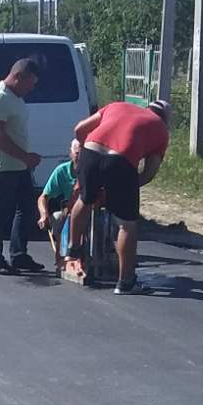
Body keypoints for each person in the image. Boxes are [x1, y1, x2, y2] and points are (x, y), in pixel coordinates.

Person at [64, 98, 170, 294]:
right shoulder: (161, 129)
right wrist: (123, 189)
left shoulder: (118, 106)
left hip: (91, 152)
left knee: (84, 199)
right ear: (165, 118)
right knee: (126, 224)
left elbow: (79, 129)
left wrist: (84, 153)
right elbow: (149, 173)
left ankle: (73, 247)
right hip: (120, 162)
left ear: (146, 108)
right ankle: (125, 282)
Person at [0, 56, 45, 275]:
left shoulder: (15, 96)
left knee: (26, 209)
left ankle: (19, 255)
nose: (31, 89)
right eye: (30, 83)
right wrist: (25, 157)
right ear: (18, 77)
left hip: (18, 165)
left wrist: (24, 160)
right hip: (2, 167)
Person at [36, 137, 81, 271]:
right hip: (70, 210)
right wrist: (44, 215)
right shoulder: (61, 171)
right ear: (71, 153)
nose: (80, 157)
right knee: (58, 217)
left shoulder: (93, 170)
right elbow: (43, 197)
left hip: (91, 209)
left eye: (83, 153)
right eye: (77, 153)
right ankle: (62, 256)